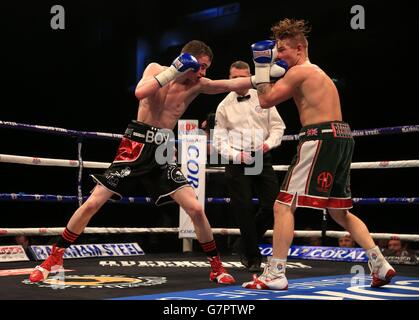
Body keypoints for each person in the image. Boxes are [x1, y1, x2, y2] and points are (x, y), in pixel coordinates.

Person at [29, 40, 255, 285]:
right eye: (201, 66)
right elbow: (140, 92)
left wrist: (264, 76)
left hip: (164, 150)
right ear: (186, 59)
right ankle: (54, 258)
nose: (203, 73)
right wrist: (174, 70)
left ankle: (216, 268)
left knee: (196, 209)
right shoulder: (156, 69)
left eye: (206, 68)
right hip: (135, 145)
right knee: (94, 202)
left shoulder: (197, 85)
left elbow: (232, 83)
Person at [242, 19, 396, 290]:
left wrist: (261, 64)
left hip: (319, 137)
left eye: (282, 50)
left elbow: (265, 100)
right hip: (341, 137)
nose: (278, 55)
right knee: (340, 212)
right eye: (276, 50)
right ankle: (380, 264)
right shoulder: (316, 73)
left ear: (299, 49)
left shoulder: (300, 72)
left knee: (282, 205)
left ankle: (276, 272)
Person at [213, 60, 285, 272]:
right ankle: (252, 255)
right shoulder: (223, 106)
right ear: (229, 78)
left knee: (273, 205)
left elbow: (278, 126)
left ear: (250, 76)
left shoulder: (264, 96)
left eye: (242, 77)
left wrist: (268, 144)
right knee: (242, 207)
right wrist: (236, 155)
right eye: (234, 77)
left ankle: (244, 242)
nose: (238, 81)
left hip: (262, 156)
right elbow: (219, 140)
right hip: (236, 160)